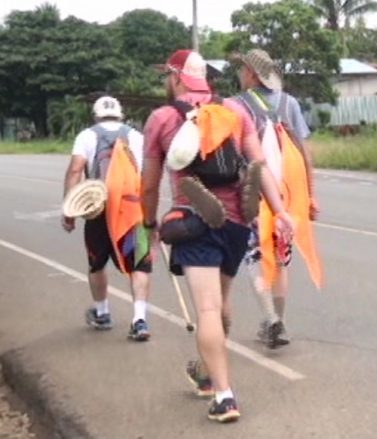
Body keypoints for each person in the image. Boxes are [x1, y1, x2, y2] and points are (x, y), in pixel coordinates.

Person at [140, 49, 294, 423]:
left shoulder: (161, 118)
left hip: (193, 221)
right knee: (221, 302)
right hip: (238, 221)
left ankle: (224, 396)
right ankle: (209, 375)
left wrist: (148, 221)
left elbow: (148, 184)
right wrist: (280, 211)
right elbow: (258, 166)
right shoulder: (236, 111)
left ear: (176, 77)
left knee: (206, 309)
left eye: (167, 75)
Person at [232, 49, 320, 348]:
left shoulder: (235, 106)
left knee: (256, 256)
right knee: (281, 260)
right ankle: (279, 323)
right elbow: (304, 153)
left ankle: (271, 319)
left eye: (242, 68)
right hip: (287, 195)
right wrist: (311, 195)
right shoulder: (289, 103)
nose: (239, 73)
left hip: (253, 194)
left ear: (252, 74)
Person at [61, 96, 152, 341]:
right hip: (131, 210)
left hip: (98, 209)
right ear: (120, 114)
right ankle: (139, 319)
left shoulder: (86, 136)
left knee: (97, 262)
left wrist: (69, 210)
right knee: (139, 264)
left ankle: (102, 313)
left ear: (95, 115)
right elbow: (146, 176)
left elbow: (75, 171)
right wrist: (149, 212)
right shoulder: (135, 136)